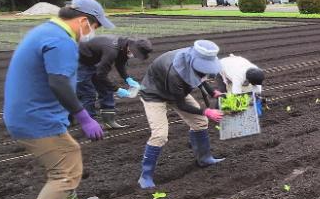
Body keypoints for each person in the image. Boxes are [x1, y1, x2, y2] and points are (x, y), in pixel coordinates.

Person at [3, 0, 113, 199]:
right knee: (64, 172)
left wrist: (64, 112)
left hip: (30, 112)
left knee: (69, 154)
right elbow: (59, 83)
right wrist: (82, 115)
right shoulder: (62, 40)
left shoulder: (45, 30)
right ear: (84, 20)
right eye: (95, 25)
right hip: (35, 118)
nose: (93, 31)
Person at [137, 40, 225, 189]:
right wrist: (207, 111)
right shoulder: (174, 73)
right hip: (154, 94)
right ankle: (145, 176)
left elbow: (200, 78)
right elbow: (181, 104)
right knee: (160, 135)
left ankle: (204, 158)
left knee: (200, 122)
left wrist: (213, 92)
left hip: (176, 91)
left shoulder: (194, 58)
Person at [76, 36, 153, 129]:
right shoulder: (112, 51)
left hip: (95, 60)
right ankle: (89, 124)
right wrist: (117, 89)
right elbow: (101, 75)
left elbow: (120, 64)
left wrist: (128, 79)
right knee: (87, 93)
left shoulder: (124, 48)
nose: (135, 56)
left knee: (106, 89)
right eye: (136, 54)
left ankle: (109, 121)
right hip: (80, 60)